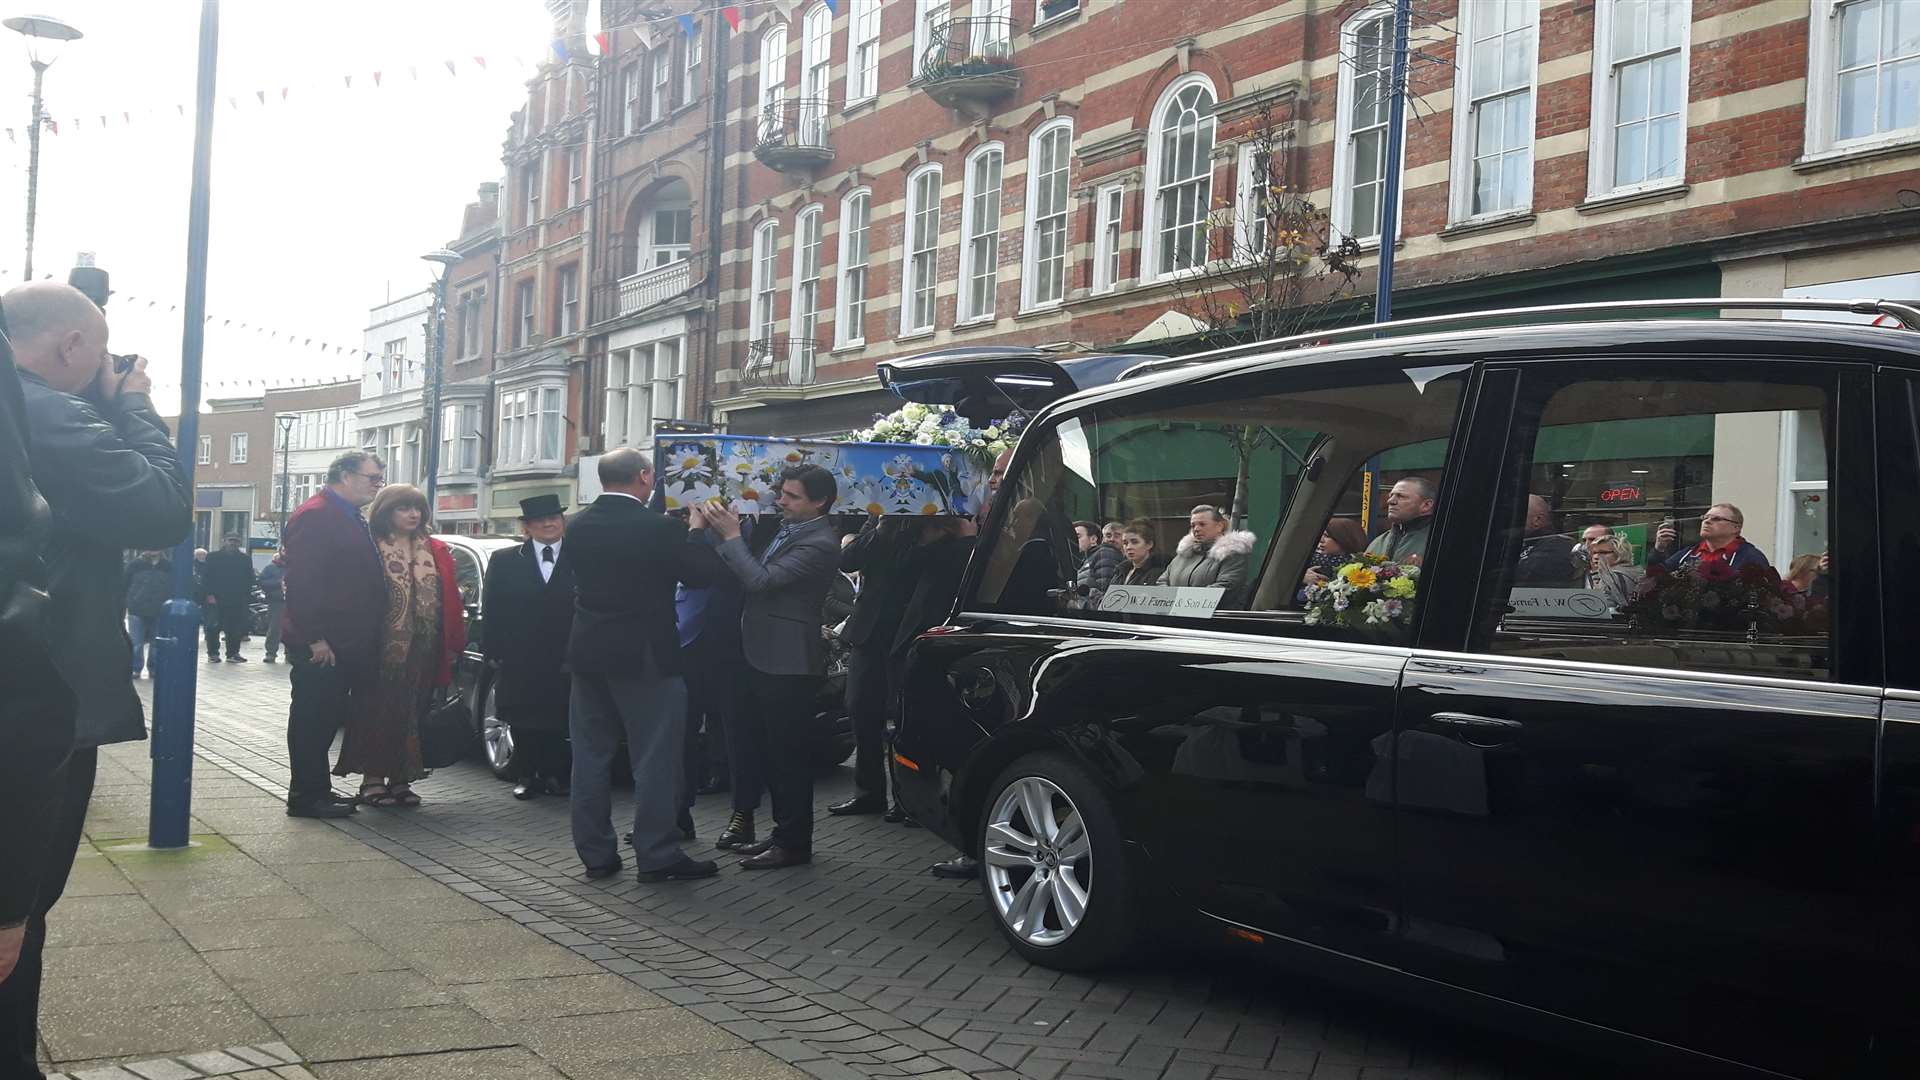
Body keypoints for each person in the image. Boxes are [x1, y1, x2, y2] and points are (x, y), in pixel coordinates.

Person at [7, 281, 191, 1074]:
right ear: (74, 347)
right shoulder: (42, 409)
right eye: (100, 348)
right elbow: (162, 507)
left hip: (34, 685)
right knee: (18, 913)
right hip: (35, 694)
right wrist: (137, 403)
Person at [566, 448, 722, 883]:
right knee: (654, 756)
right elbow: (700, 575)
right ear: (644, 476)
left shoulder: (575, 527)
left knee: (590, 755)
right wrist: (695, 532)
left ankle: (596, 854)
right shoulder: (659, 528)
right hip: (646, 654)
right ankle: (657, 854)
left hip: (589, 651)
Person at [690, 464, 841, 871]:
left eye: (792, 496)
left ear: (820, 501)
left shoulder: (820, 542)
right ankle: (779, 835)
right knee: (772, 752)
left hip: (789, 660)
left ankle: (794, 844)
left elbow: (759, 580)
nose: (781, 501)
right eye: (783, 493)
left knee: (789, 756)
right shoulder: (790, 530)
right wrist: (712, 530)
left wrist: (732, 535)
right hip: (764, 655)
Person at [333, 485, 464, 808]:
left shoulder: (436, 549)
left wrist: (452, 644)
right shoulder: (370, 547)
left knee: (413, 713)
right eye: (403, 508)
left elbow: (451, 600)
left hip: (425, 648)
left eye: (417, 508)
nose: (413, 514)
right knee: (376, 711)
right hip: (380, 648)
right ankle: (372, 780)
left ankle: (402, 779)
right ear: (386, 512)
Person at [281, 450, 390, 819]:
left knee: (326, 719)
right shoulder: (317, 516)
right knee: (313, 719)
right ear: (344, 475)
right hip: (323, 644)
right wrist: (314, 637)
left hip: (345, 640)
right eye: (372, 477)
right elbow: (302, 583)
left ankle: (318, 791)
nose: (378, 485)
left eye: (380, 478)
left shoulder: (347, 516)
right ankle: (306, 796)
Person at [480, 494, 575, 802]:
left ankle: (555, 774)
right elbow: (492, 606)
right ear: (527, 527)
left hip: (566, 653)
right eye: (540, 520)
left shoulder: (581, 556)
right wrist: (493, 649)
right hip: (522, 654)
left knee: (559, 716)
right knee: (523, 717)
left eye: (554, 518)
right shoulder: (505, 560)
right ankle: (526, 775)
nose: (548, 524)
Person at [830, 516, 920, 820]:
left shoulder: (928, 523)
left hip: (906, 631)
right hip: (867, 632)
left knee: (904, 717)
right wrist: (882, 527)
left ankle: (909, 799)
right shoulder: (878, 520)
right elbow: (847, 559)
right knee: (860, 707)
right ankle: (868, 793)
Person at [1160, 505, 1254, 607]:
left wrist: (1182, 602)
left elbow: (1225, 588)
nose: (1196, 529)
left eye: (1202, 524)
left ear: (1220, 526)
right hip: (1175, 618)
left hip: (1214, 621)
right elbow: (1162, 581)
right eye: (1193, 525)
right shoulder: (1184, 554)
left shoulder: (1233, 554)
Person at [1651, 502, 1771, 572]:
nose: (1707, 522)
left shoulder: (1750, 557)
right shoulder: (1689, 553)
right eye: (1705, 517)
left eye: (1716, 519)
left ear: (1736, 528)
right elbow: (1656, 577)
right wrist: (1659, 549)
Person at [200, 533, 257, 661]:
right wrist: (209, 594)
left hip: (237, 599)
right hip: (216, 598)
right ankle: (213, 654)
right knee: (213, 627)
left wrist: (245, 596)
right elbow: (206, 577)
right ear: (224, 541)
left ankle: (233, 653)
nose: (233, 543)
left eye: (236, 541)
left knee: (235, 628)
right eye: (230, 540)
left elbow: (249, 578)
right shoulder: (213, 557)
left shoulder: (245, 559)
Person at [1513, 495, 1583, 586]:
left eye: (1515, 515)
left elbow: (1527, 578)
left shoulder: (1558, 546)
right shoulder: (1518, 543)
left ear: (1537, 520)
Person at [1366, 477, 1436, 565]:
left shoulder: (1440, 540)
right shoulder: (1378, 542)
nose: (1390, 501)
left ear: (1426, 505)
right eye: (1391, 495)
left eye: (1401, 496)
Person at [124, 550, 172, 678]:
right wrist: (130, 602)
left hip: (159, 610)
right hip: (137, 610)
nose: (153, 549)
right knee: (136, 643)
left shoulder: (168, 565)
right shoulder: (134, 565)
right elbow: (125, 585)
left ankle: (154, 668)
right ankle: (135, 668)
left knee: (156, 643)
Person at [1300, 517, 1369, 598]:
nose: (1321, 540)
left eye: (1326, 536)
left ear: (1344, 539)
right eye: (1320, 535)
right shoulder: (1307, 561)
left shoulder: (1362, 567)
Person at [1073, 519, 1123, 608]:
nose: (1111, 539)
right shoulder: (1089, 557)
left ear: (1093, 539)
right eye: (1108, 535)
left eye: (1078, 536)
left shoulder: (1105, 553)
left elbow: (1104, 595)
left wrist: (1074, 604)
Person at [1583, 532, 1639, 609]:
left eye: (1603, 552)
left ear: (1620, 553)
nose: (1596, 556)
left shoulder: (1612, 576)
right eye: (1594, 553)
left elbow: (1601, 608)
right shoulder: (1635, 572)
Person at [257, 552, 286, 663]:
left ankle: (290, 653)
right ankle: (271, 653)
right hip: (276, 602)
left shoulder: (294, 566)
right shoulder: (270, 568)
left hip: (293, 601)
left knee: (292, 628)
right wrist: (278, 583)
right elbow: (262, 582)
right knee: (274, 628)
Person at [1115, 520, 1161, 586]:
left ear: (1149, 544)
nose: (1128, 547)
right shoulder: (1120, 570)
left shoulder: (1157, 573)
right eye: (1125, 543)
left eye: (1134, 542)